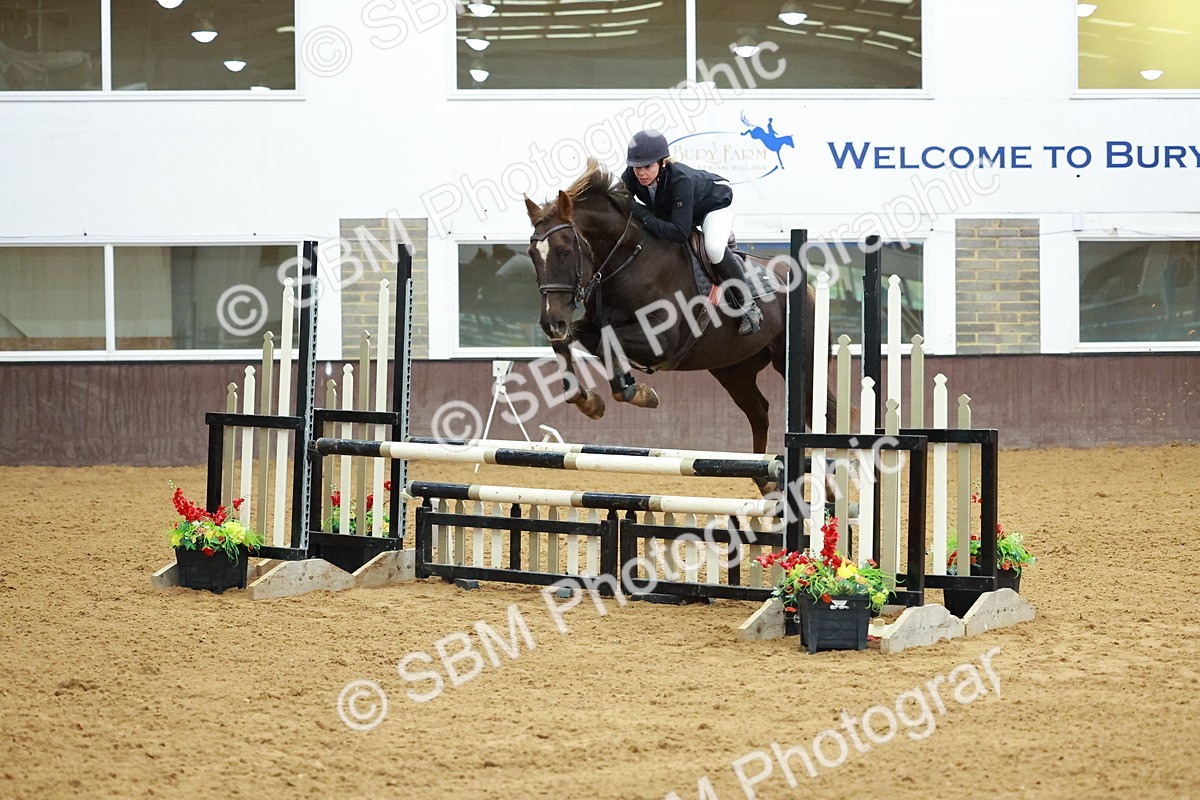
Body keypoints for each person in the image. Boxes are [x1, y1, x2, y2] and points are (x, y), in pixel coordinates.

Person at [621, 130, 763, 335]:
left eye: (647, 166)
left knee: (713, 249)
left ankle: (748, 305)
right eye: (636, 167)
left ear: (662, 162)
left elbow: (679, 232)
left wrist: (642, 213)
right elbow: (619, 199)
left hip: (713, 208)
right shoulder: (632, 175)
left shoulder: (680, 180)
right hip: (681, 213)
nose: (641, 173)